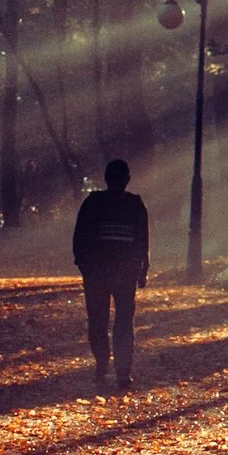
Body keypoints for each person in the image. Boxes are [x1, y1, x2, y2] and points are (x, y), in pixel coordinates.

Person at [71, 159, 149, 388]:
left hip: (104, 274)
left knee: (102, 321)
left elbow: (79, 239)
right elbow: (143, 241)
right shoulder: (133, 205)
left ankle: (108, 368)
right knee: (119, 322)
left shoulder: (95, 203)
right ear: (127, 180)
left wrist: (84, 265)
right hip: (110, 273)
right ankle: (116, 371)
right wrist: (143, 268)